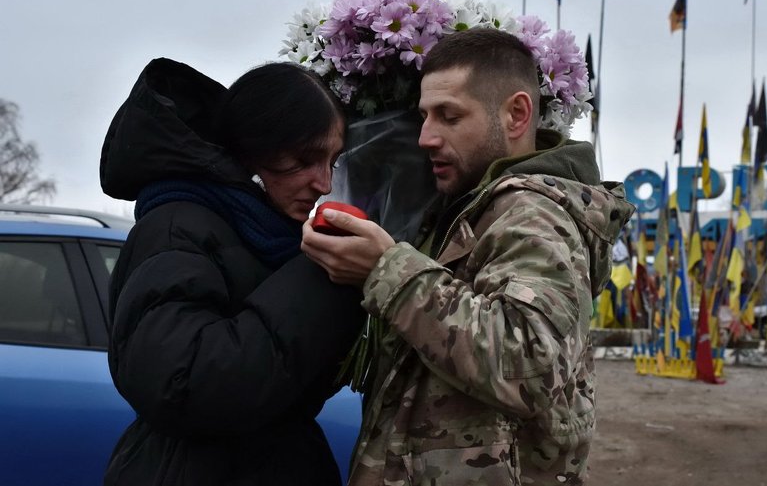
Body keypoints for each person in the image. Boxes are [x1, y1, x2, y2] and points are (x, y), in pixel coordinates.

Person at [301, 28, 635, 485]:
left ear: (517, 115)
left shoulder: (533, 214)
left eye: (448, 116)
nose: (425, 137)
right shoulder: (474, 207)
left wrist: (388, 270)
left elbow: (529, 368)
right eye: (423, 117)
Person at [99, 58, 365, 486]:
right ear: (251, 151)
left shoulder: (265, 235)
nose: (323, 183)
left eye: (332, 162)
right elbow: (180, 384)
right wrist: (323, 278)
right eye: (304, 159)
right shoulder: (177, 225)